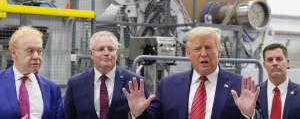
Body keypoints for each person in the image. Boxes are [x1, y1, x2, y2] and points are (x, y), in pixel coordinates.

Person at [123, 26, 260, 119]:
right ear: (188, 53)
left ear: (219, 52)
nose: (203, 54)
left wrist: (250, 114)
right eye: (197, 49)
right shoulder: (168, 85)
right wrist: (137, 114)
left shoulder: (239, 85)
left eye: (208, 48)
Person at [64, 31, 149, 119]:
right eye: (101, 49)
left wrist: (137, 114)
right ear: (91, 54)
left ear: (117, 53)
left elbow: (149, 116)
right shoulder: (75, 83)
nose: (106, 53)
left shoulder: (135, 82)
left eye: (111, 49)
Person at [0, 26, 64, 119]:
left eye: (39, 51)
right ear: (14, 53)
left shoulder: (52, 89)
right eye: (30, 51)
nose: (36, 56)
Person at [257, 43, 300, 119]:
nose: (275, 63)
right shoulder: (254, 93)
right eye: (270, 60)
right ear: (264, 65)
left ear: (287, 62)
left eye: (279, 59)